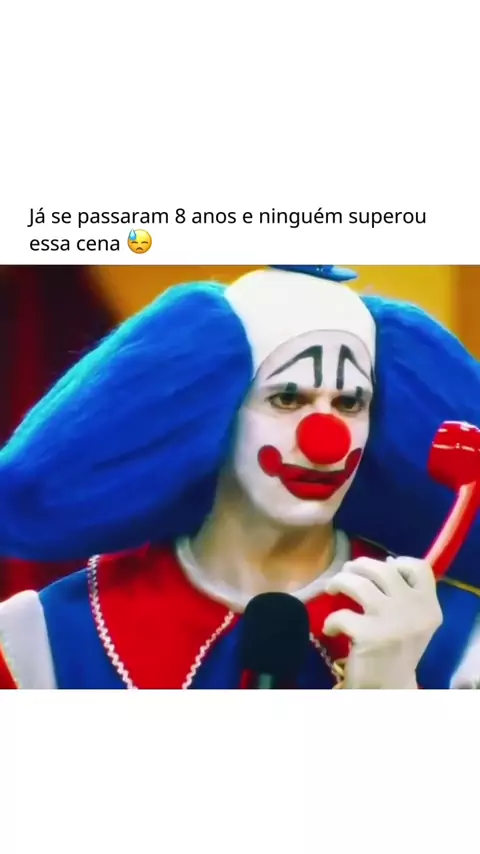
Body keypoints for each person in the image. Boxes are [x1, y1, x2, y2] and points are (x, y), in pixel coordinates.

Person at [0, 265, 479, 689]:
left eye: (350, 403)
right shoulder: (41, 640)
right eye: (287, 398)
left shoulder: (462, 643)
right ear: (216, 410)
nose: (326, 439)